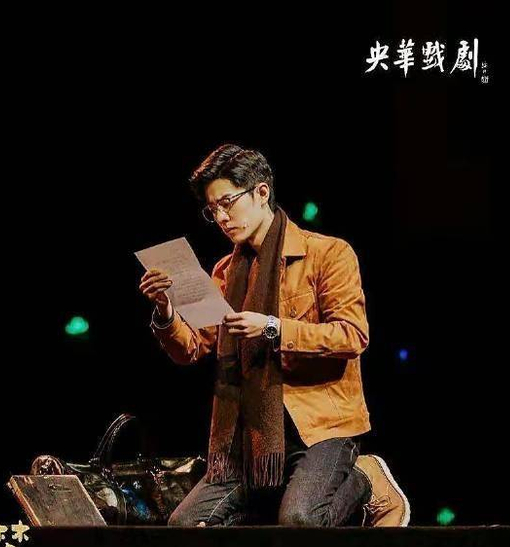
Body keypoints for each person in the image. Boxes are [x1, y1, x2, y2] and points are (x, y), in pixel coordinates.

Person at [139, 144, 410, 527]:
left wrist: (273, 328)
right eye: (212, 210)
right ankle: (278, 498)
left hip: (320, 429)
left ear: (261, 192)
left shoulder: (327, 253)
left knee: (299, 521)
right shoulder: (225, 272)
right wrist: (165, 311)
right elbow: (193, 348)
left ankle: (365, 479)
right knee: (185, 526)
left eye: (227, 203)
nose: (221, 217)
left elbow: (351, 336)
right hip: (251, 439)